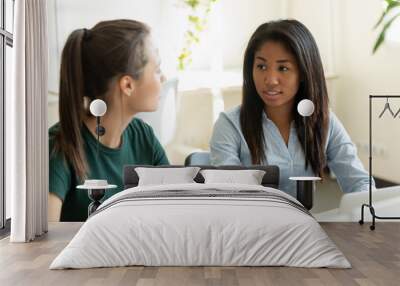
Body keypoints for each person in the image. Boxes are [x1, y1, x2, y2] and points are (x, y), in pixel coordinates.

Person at [210, 19, 372, 198]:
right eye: (261, 66)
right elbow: (230, 197)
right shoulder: (229, 125)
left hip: (302, 225)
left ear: (303, 72)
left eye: (283, 68)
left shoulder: (324, 121)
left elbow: (359, 182)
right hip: (250, 223)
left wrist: (370, 206)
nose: (270, 79)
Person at [49, 19, 169, 222]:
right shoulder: (58, 147)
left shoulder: (145, 138)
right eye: (157, 69)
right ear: (128, 85)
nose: (164, 78)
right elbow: (43, 245)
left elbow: (174, 211)